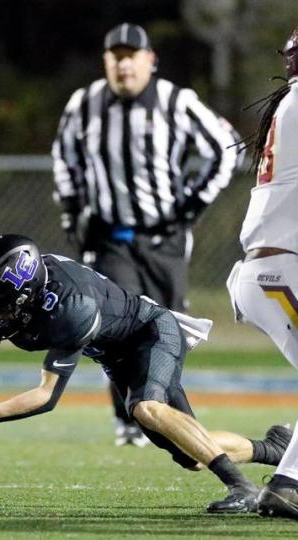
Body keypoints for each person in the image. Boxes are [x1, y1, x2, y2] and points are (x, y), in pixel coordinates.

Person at [0, 234, 290, 514]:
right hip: (117, 353)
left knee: (146, 408)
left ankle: (242, 487)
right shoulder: (7, 302)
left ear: (26, 298)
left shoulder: (69, 309)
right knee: (191, 454)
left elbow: (46, 396)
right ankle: (273, 449)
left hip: (151, 332)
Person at [51, 23, 240, 446]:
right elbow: (64, 158)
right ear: (106, 62)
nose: (123, 64)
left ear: (149, 60)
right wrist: (71, 212)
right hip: (111, 238)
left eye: (131, 56)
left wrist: (192, 205)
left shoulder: (177, 101)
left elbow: (226, 147)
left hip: (164, 240)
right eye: (115, 56)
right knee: (115, 326)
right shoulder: (85, 104)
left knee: (168, 326)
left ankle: (168, 415)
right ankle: (130, 419)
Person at [227, 26, 298, 520]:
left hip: (272, 269)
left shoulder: (290, 104)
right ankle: (287, 484)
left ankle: (291, 470)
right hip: (280, 270)